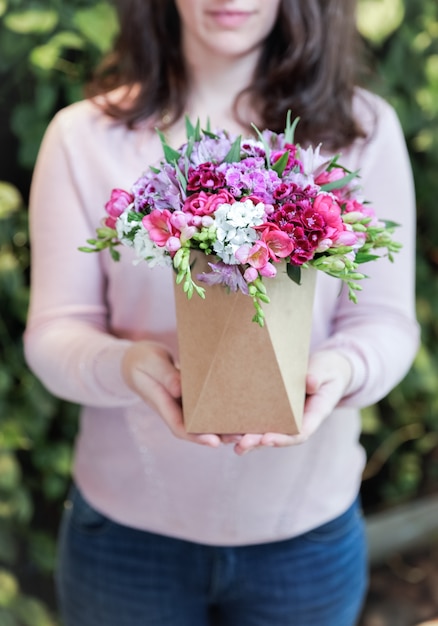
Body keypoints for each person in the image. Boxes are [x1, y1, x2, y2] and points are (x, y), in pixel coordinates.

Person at [24, 1, 419, 625]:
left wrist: (339, 372)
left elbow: (387, 323)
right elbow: (54, 333)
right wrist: (127, 366)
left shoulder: (360, 129)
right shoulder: (83, 138)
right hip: (126, 541)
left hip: (304, 540)